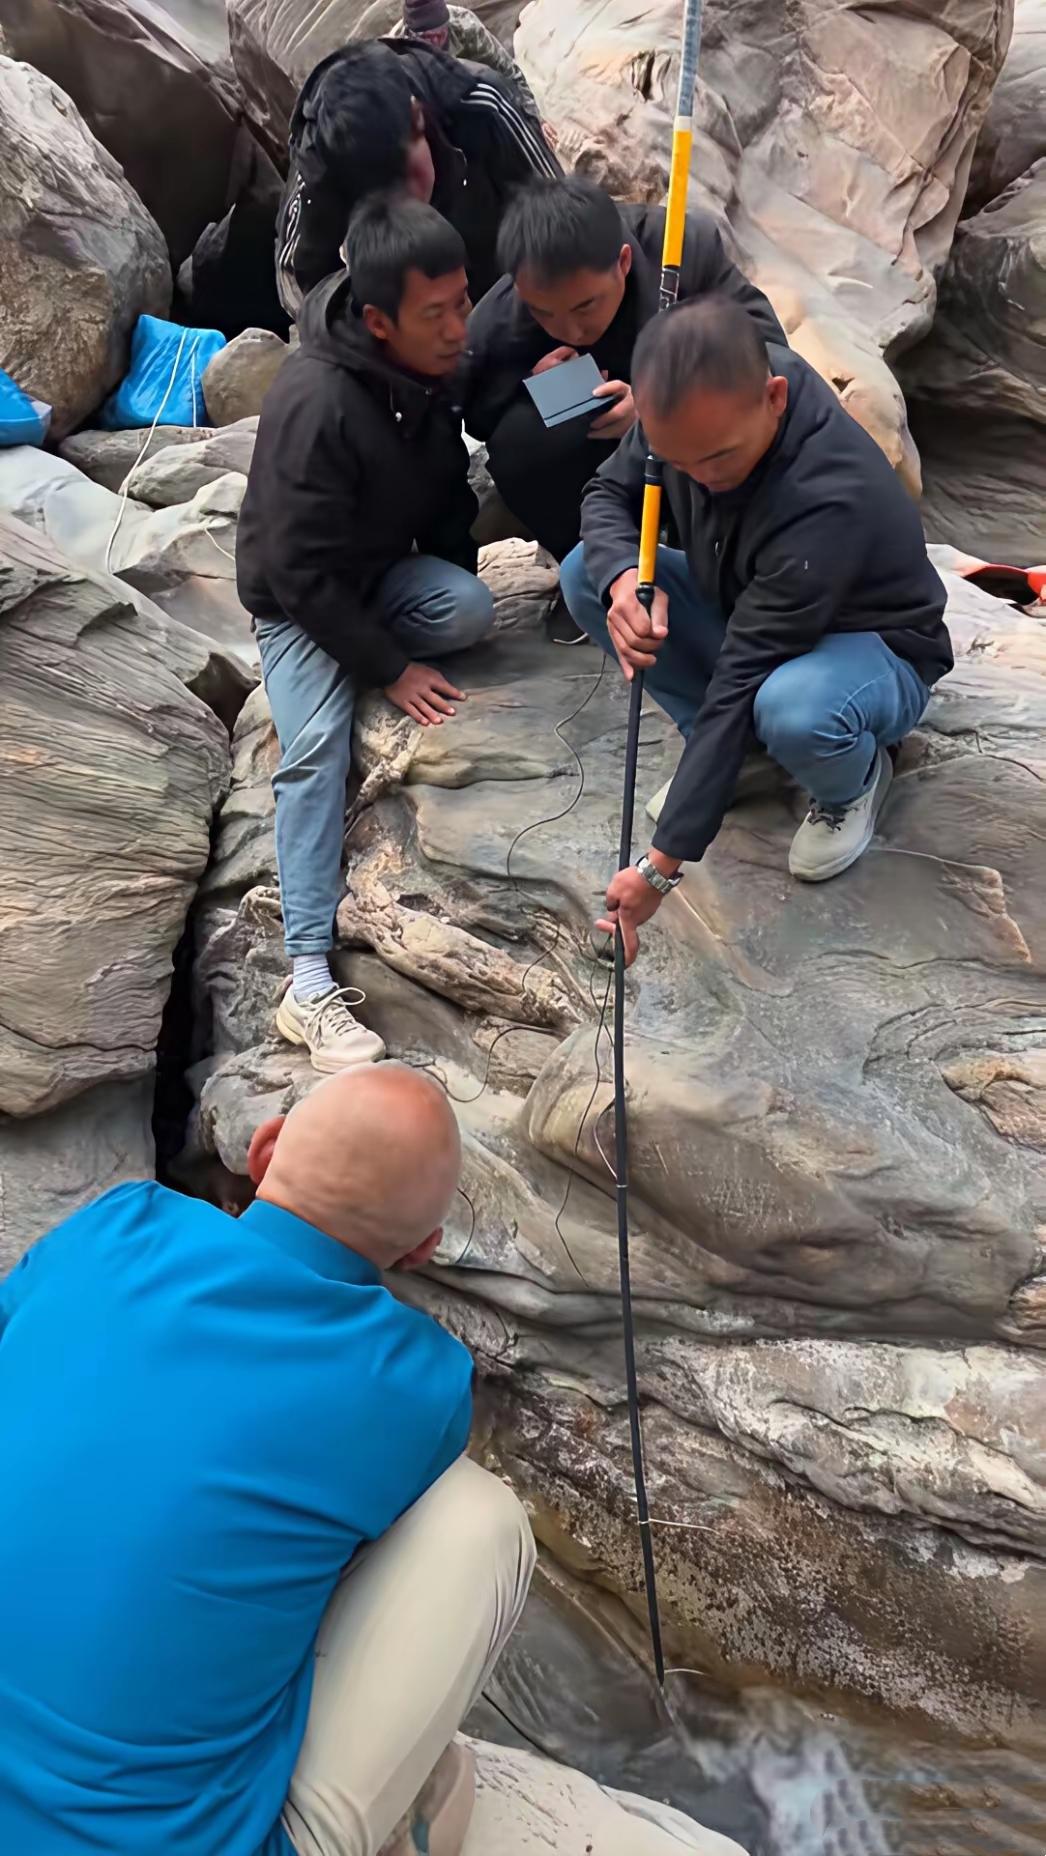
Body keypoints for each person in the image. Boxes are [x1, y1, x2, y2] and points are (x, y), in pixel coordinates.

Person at [0, 1063, 750, 1855]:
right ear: (421, 1251)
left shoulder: (118, 1221)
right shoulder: (416, 1379)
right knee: (476, 1514)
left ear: (263, 1148)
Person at [561, 296, 953, 961]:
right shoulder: (693, 409)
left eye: (716, 459)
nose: (698, 481)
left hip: (874, 647)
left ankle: (855, 779)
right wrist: (625, 579)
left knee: (790, 708)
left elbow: (742, 675)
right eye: (676, 462)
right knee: (585, 574)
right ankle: (740, 761)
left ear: (774, 399)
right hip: (748, 606)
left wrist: (660, 868)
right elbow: (608, 495)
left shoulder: (827, 494)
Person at [238, 196, 496, 1072]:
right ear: (379, 320)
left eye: (464, 300)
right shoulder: (315, 400)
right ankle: (308, 982)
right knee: (315, 753)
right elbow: (295, 570)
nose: (460, 326)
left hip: (378, 574)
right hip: (298, 601)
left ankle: (352, 657)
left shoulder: (428, 365)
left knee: (468, 608)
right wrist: (387, 668)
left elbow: (448, 487)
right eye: (439, 313)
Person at [464, 177, 786, 571]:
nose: (569, 330)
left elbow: (770, 351)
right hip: (597, 459)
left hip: (694, 439)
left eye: (585, 307)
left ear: (623, 262)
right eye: (543, 314)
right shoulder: (501, 315)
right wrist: (538, 387)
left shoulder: (678, 250)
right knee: (518, 442)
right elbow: (475, 415)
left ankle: (715, 557)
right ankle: (592, 566)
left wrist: (662, 405)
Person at [276, 35, 559, 317]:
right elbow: (299, 285)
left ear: (418, 118)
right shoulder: (318, 166)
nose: (408, 206)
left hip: (508, 294)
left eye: (407, 181)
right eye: (384, 195)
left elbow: (557, 215)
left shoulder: (480, 105)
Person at [388, 0, 548, 139]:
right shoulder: (396, 50)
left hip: (469, 91)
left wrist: (535, 120)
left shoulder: (464, 25)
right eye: (427, 37)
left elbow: (508, 72)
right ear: (411, 33)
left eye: (440, 34)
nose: (435, 41)